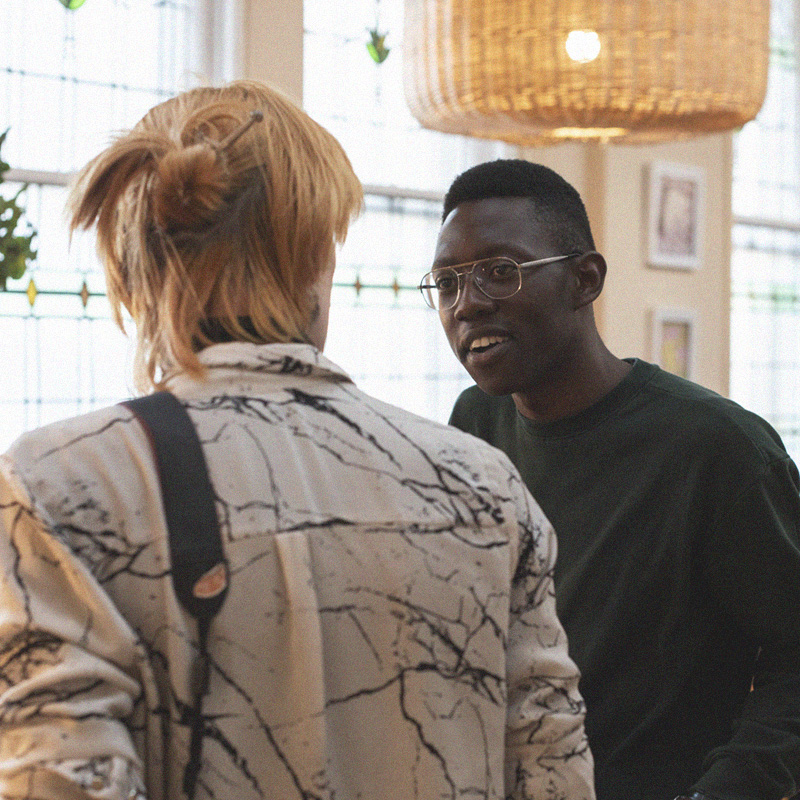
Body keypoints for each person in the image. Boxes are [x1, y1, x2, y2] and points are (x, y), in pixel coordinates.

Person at [0, 86, 595, 800]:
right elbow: (553, 773)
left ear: (131, 265)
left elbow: (57, 782)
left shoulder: (59, 487)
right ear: (317, 254)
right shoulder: (484, 485)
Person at [423, 158, 800, 800]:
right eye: (447, 283)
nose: (469, 304)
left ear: (585, 280)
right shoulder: (474, 423)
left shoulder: (716, 447)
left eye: (499, 272)